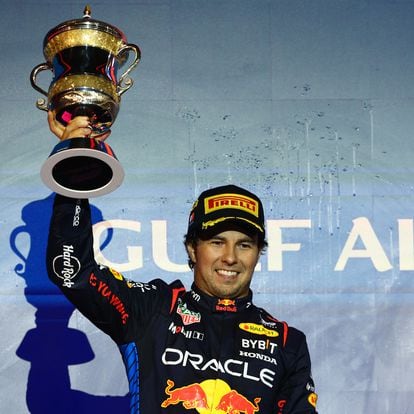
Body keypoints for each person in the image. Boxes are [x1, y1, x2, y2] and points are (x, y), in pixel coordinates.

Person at [46, 113, 318, 413]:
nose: (230, 257)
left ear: (258, 253)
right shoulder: (152, 310)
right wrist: (76, 163)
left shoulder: (286, 343)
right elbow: (73, 272)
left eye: (244, 244)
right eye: (216, 242)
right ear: (192, 249)